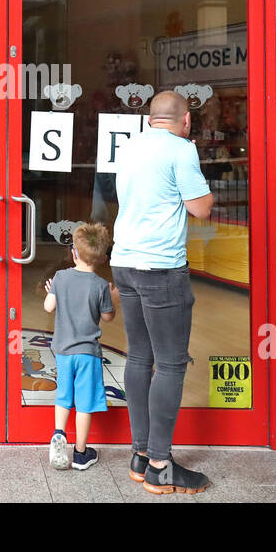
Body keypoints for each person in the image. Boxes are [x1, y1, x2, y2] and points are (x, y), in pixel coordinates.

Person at [110, 90, 215, 494]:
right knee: (170, 365)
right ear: (185, 120)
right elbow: (200, 207)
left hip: (125, 262)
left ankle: (140, 454)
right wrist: (208, 194)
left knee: (139, 356)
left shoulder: (130, 146)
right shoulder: (181, 149)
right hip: (161, 267)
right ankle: (160, 464)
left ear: (149, 118)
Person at [43, 222, 116, 471]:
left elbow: (48, 307)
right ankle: (82, 454)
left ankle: (58, 434)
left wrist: (50, 291)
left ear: (74, 252)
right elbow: (108, 317)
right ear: (103, 258)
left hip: (64, 352)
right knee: (84, 404)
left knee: (64, 396)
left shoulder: (61, 278)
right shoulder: (100, 285)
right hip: (88, 354)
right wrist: (112, 297)